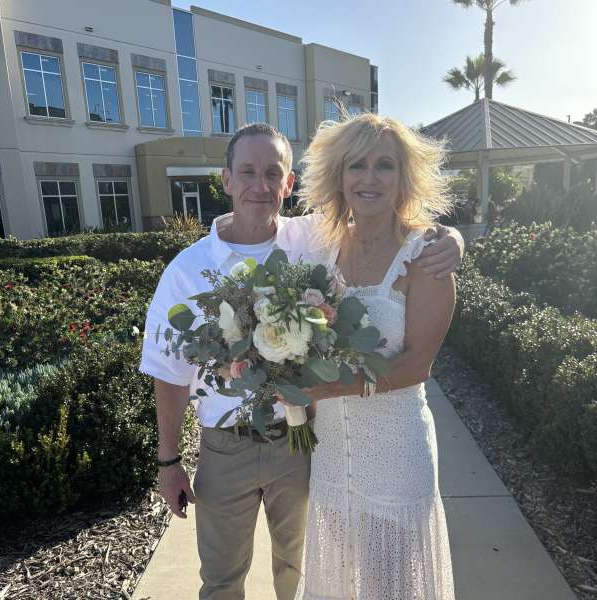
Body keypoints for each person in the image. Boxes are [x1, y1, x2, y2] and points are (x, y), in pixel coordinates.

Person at [139, 122, 463, 600]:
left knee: (306, 574)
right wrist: (168, 461)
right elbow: (168, 373)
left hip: (304, 443)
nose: (260, 185)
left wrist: (451, 236)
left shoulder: (311, 240)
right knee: (225, 581)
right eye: (247, 172)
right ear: (225, 179)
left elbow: (417, 356)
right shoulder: (190, 269)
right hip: (231, 446)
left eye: (273, 173)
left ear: (289, 183)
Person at [286, 114, 457, 600]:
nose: (369, 177)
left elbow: (418, 364)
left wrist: (331, 387)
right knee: (341, 579)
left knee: (389, 585)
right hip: (331, 451)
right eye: (357, 165)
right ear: (339, 175)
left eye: (384, 165)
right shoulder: (320, 251)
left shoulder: (426, 255)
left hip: (395, 451)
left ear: (404, 177)